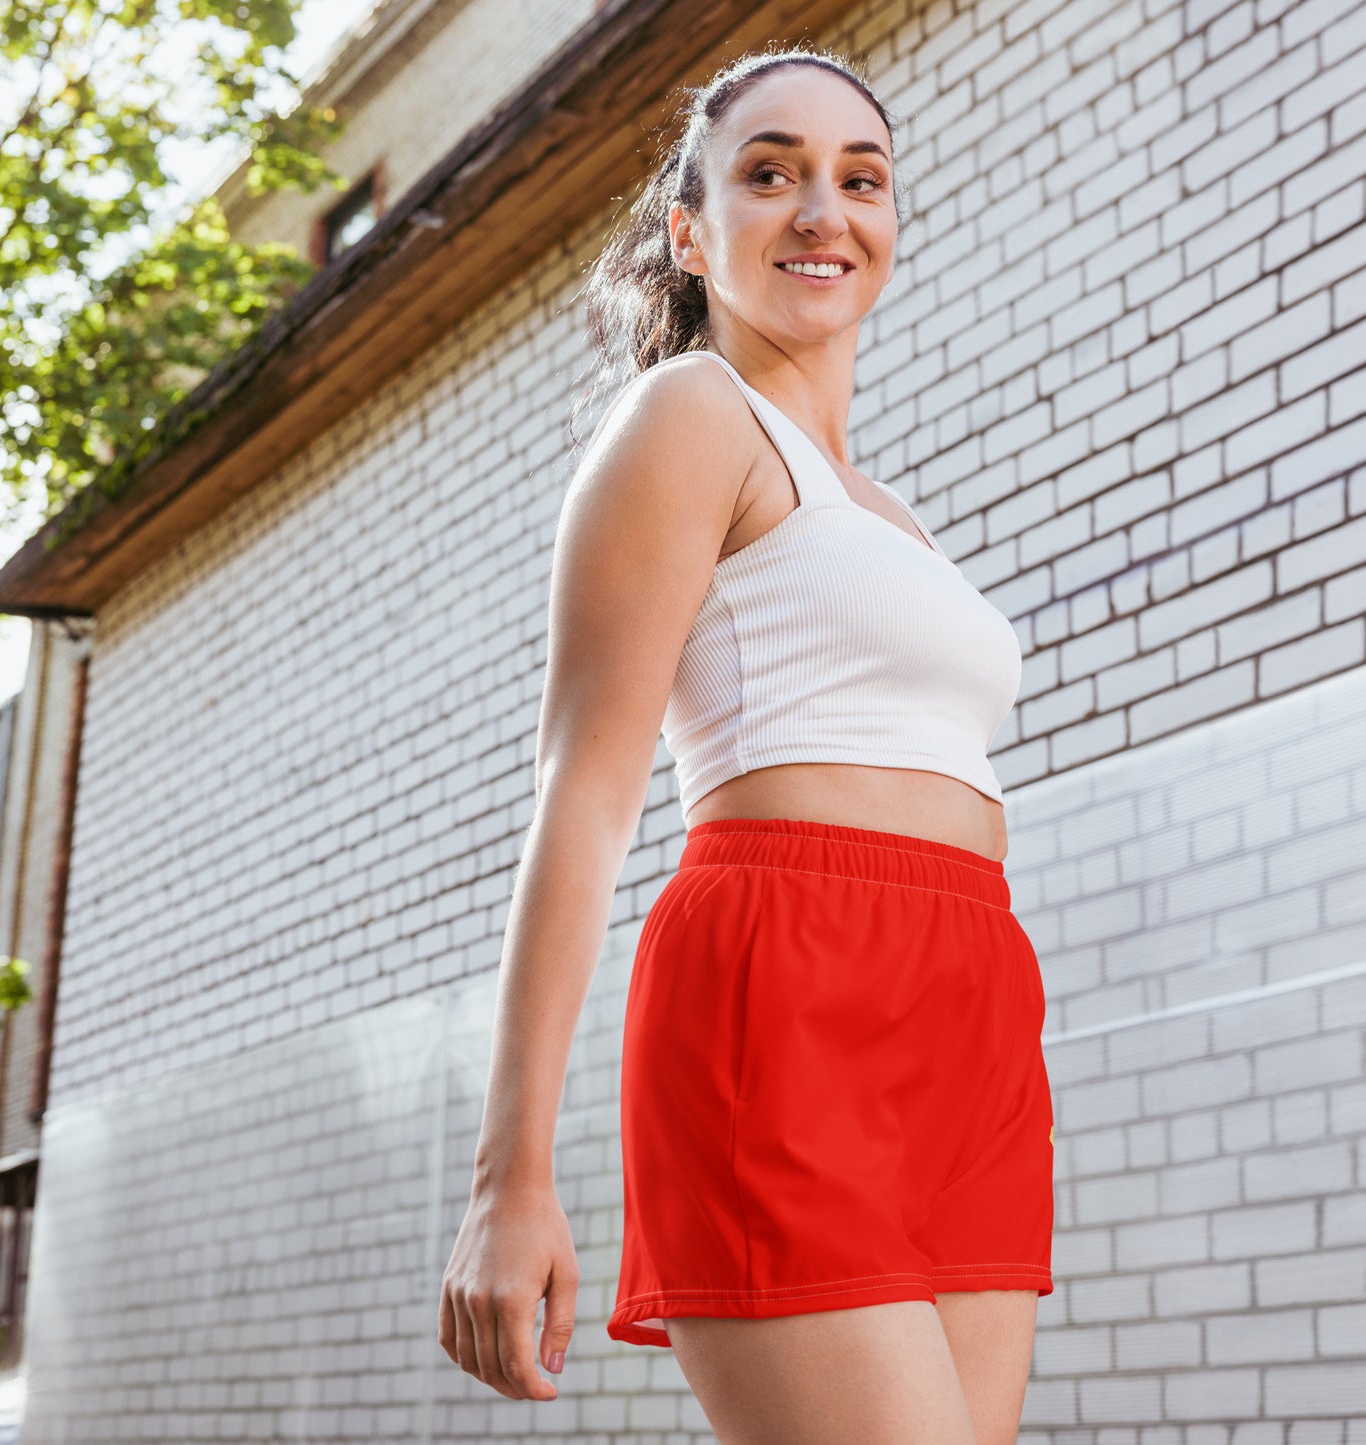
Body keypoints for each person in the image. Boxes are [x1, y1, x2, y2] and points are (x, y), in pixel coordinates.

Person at [437, 44, 1054, 1445]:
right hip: (783, 979)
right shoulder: (687, 417)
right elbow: (581, 795)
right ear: (689, 230)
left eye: (860, 178)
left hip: (969, 1007)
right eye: (769, 173)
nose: (821, 210)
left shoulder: (890, 510)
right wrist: (507, 1176)